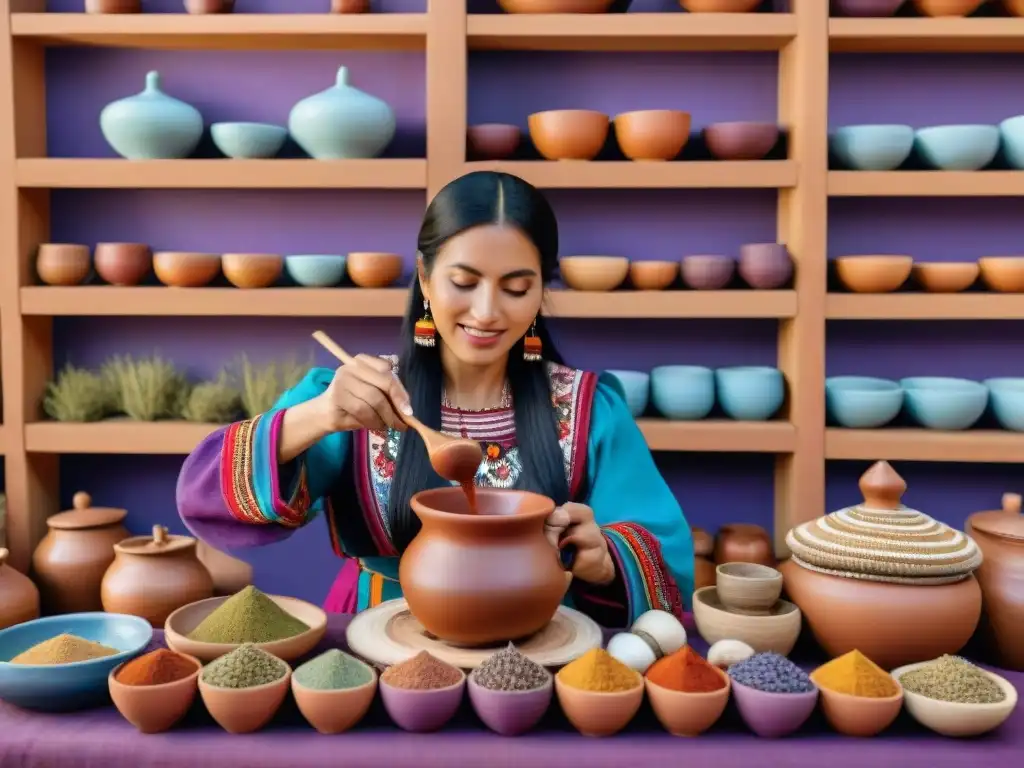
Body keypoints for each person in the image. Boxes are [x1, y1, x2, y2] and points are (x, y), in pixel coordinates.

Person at [176, 170, 694, 627]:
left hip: (541, 646)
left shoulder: (588, 409)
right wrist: (318, 416)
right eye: (465, 282)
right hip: (379, 641)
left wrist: (604, 557)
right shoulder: (358, 400)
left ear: (541, 292)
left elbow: (669, 567)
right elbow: (203, 497)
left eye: (516, 288)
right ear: (425, 279)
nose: (487, 311)